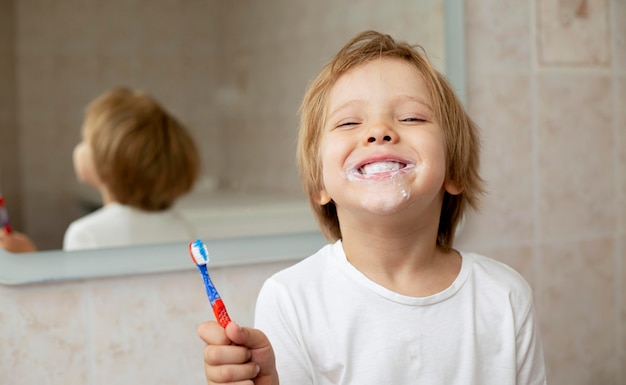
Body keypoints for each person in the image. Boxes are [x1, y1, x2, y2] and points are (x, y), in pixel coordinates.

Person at [197, 30, 546, 385]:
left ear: (453, 169)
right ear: (320, 184)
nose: (379, 131)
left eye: (411, 118)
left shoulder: (505, 296)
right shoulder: (292, 299)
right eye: (349, 122)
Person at [62, 86, 200, 250]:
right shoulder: (182, 227)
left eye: (84, 140)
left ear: (109, 162)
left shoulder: (85, 235)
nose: (79, 149)